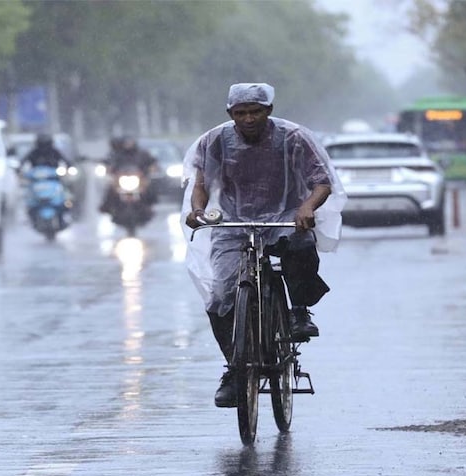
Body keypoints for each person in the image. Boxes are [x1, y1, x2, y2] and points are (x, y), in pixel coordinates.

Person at [182, 82, 346, 408]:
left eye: (255, 111)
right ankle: (234, 369)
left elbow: (321, 182)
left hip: (284, 217)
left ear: (268, 110)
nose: (248, 118)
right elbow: (201, 183)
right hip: (234, 223)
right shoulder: (215, 141)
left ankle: (298, 311)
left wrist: (306, 207)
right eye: (240, 113)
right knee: (220, 298)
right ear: (230, 114)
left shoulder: (294, 138)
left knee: (299, 247)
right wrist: (198, 211)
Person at [99, 135, 158, 214]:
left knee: (148, 188)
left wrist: (150, 168)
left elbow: (151, 162)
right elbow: (109, 163)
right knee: (111, 188)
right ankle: (107, 206)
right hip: (121, 179)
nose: (128, 144)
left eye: (130, 142)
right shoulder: (117, 155)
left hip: (138, 178)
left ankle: (151, 202)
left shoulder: (142, 154)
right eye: (126, 143)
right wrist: (108, 168)